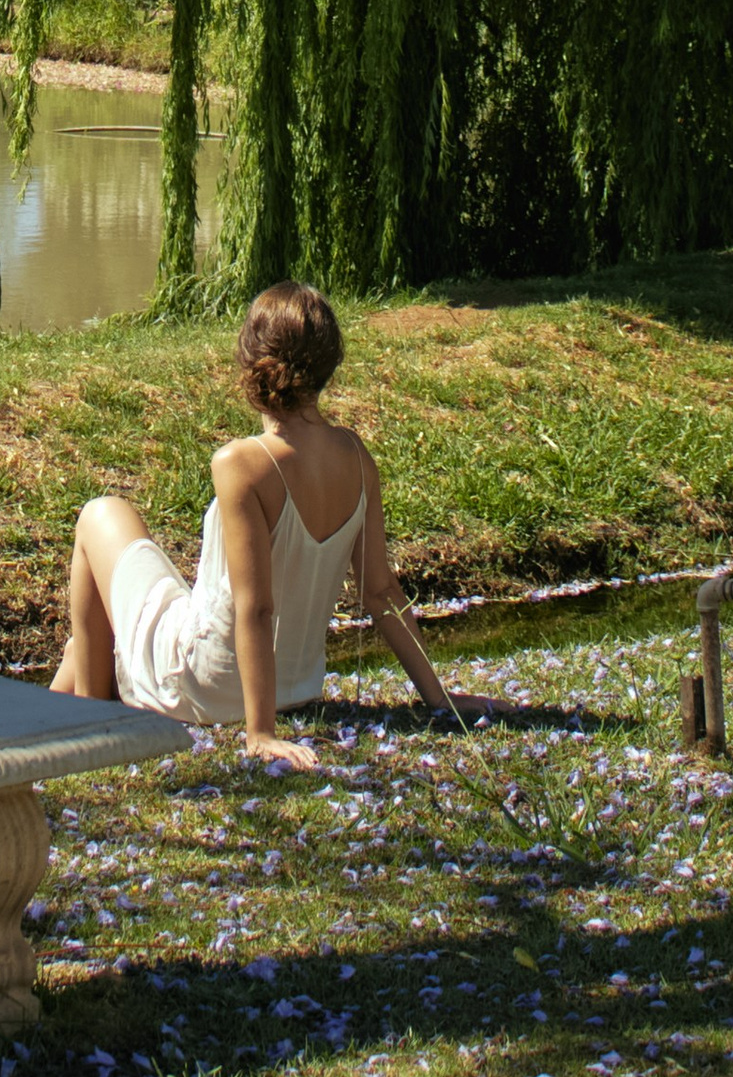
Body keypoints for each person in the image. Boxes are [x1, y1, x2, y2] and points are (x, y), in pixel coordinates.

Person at [49, 279, 459, 768]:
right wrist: (440, 699)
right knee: (81, 649)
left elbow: (256, 608)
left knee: (102, 513)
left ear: (249, 360)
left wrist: (259, 733)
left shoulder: (241, 463)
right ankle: (62, 713)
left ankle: (92, 721)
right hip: (298, 688)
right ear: (329, 366)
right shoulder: (356, 456)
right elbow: (381, 592)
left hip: (206, 684)